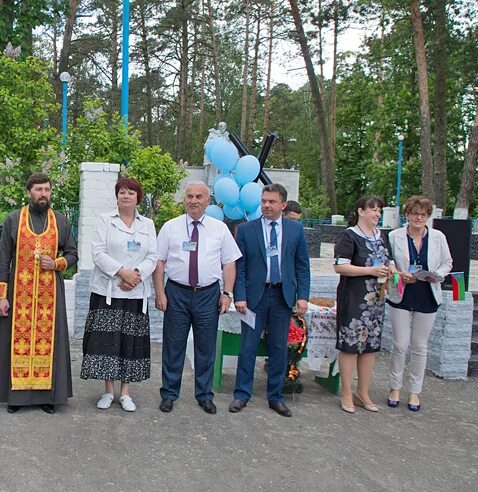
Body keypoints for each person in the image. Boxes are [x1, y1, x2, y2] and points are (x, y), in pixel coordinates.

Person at [0, 173, 78, 414]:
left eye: (47, 190)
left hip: (50, 297)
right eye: (39, 190)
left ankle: (48, 397)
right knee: (15, 344)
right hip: (19, 296)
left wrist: (58, 263)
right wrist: (2, 296)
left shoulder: (60, 220)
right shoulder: (13, 220)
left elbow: (73, 254)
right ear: (28, 192)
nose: (43, 194)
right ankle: (16, 398)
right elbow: (3, 261)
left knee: (49, 346)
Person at [153, 181, 241, 414]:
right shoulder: (170, 227)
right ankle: (169, 394)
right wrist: (160, 293)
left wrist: (227, 294)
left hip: (208, 295)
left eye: (199, 197)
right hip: (177, 294)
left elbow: (229, 262)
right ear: (184, 200)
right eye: (189, 196)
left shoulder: (219, 229)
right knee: (173, 346)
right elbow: (159, 262)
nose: (193, 201)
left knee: (206, 348)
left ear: (207, 201)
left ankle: (204, 395)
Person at [229, 184, 310, 418]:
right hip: (255, 298)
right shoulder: (246, 230)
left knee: (278, 348)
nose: (266, 205)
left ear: (283, 205)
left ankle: (275, 397)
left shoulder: (295, 230)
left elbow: (302, 266)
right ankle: (241, 394)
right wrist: (240, 296)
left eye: (271, 201)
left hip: (282, 297)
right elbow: (240, 267)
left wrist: (302, 296)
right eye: (264, 201)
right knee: (248, 346)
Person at [81, 178, 157, 412]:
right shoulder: (105, 220)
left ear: (138, 198)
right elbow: (98, 253)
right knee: (107, 343)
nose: (126, 196)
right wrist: (122, 273)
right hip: (108, 291)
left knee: (130, 343)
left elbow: (153, 256)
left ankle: (125, 393)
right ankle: (108, 391)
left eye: (131, 193)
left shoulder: (148, 224)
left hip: (135, 292)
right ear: (117, 196)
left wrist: (135, 275)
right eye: (122, 192)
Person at [386, 195, 452, 412]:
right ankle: (395, 387)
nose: (418, 218)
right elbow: (389, 260)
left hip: (427, 294)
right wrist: (397, 272)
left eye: (423, 214)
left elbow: (447, 262)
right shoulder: (395, 236)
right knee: (399, 344)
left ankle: (415, 391)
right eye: (414, 213)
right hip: (402, 294)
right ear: (407, 215)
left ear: (428, 217)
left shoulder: (438, 237)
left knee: (420, 346)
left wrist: (437, 275)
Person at [333, 196, 395, 413]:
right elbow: (340, 267)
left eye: (379, 210)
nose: (376, 214)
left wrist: (392, 271)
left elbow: (390, 261)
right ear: (361, 211)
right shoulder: (349, 236)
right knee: (351, 345)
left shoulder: (382, 236)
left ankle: (363, 391)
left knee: (370, 347)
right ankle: (347, 392)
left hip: (376, 300)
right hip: (354, 298)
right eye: (372, 210)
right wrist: (369, 271)